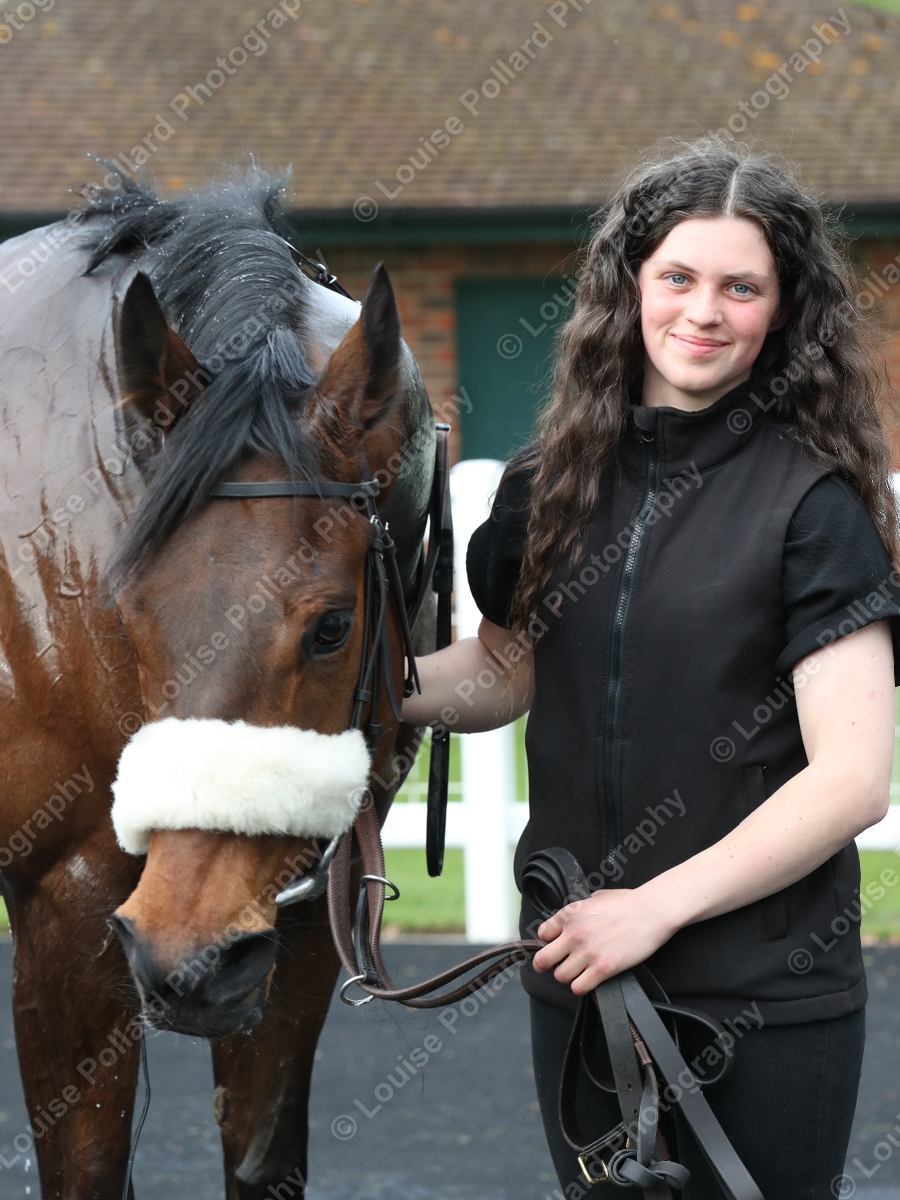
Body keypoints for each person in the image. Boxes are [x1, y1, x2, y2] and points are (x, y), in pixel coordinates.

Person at [402, 137, 900, 1199]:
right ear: (630, 285)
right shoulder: (550, 485)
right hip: (583, 976)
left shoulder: (812, 507)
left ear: (783, 310)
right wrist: (371, 688)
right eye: (678, 277)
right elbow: (505, 672)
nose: (703, 312)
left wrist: (653, 907)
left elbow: (853, 779)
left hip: (761, 999)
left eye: (741, 288)